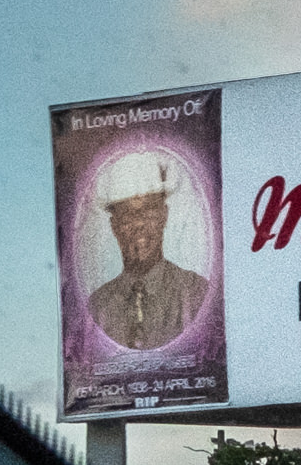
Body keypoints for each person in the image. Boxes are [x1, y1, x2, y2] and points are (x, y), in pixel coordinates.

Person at [86, 150, 209, 350]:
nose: (139, 223)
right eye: (128, 214)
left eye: (149, 210)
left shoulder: (197, 293)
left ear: (164, 215)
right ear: (114, 226)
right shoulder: (96, 308)